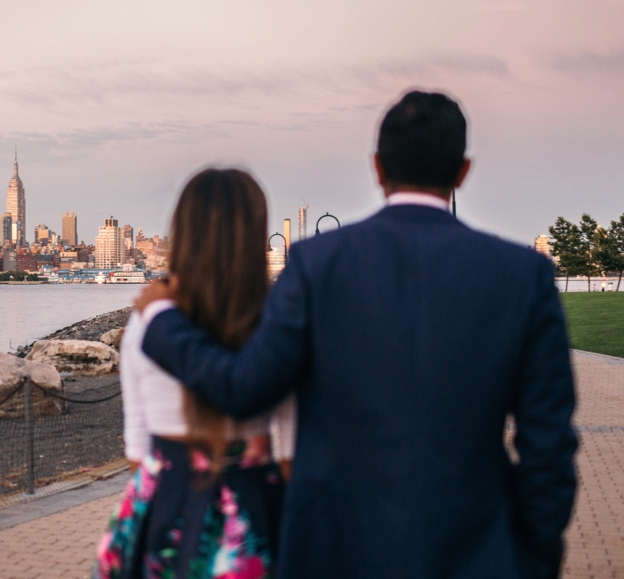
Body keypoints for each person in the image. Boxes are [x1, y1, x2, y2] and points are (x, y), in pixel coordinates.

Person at [136, 91, 578, 579]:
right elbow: (549, 446)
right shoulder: (523, 276)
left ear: (377, 168)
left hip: (334, 550)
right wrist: (534, 557)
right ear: (462, 172)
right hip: (477, 549)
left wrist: (161, 321)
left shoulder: (316, 264)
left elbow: (243, 389)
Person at [93, 169, 296, 579]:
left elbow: (137, 452)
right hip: (254, 509)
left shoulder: (147, 324)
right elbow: (291, 453)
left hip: (164, 508)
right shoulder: (276, 325)